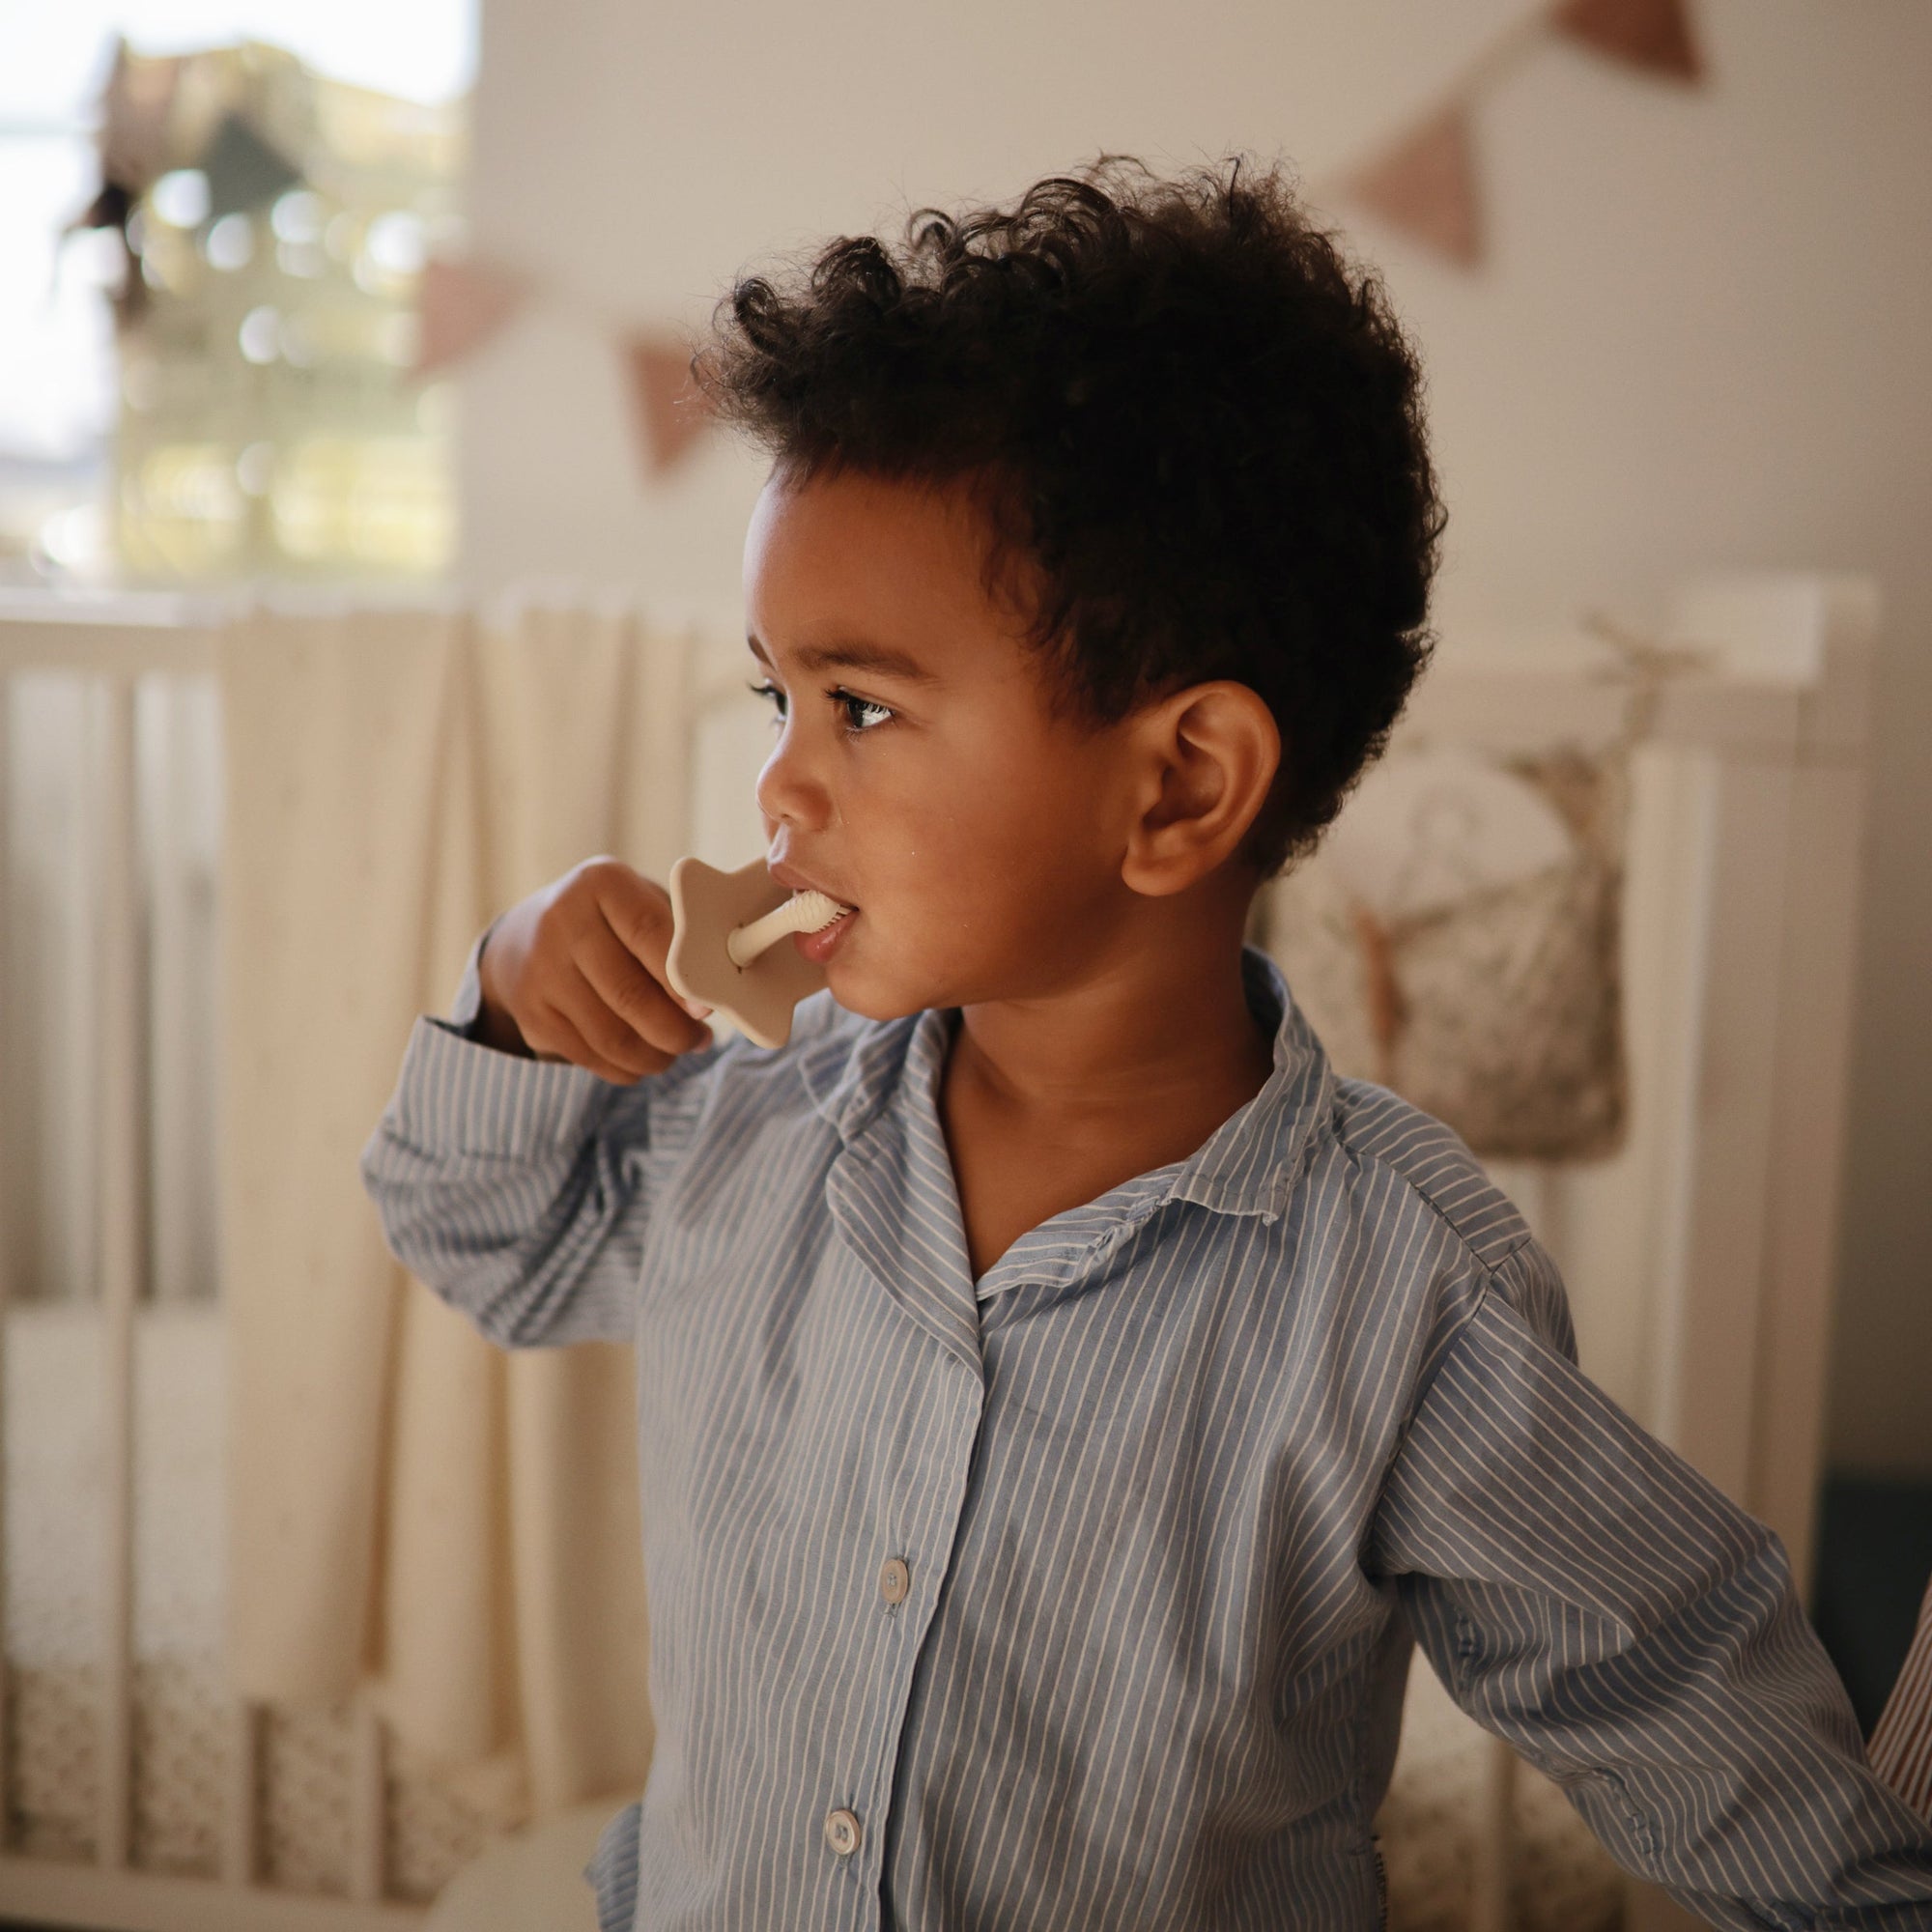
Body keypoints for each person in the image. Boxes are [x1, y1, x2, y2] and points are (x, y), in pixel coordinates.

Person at [361, 158, 1932, 1930]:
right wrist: (510, 986)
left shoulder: (1401, 1298)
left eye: (861, 706)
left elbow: (1691, 1716)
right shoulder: (748, 1119)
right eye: (774, 695)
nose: (780, 780)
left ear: (1179, 785)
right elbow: (479, 1230)